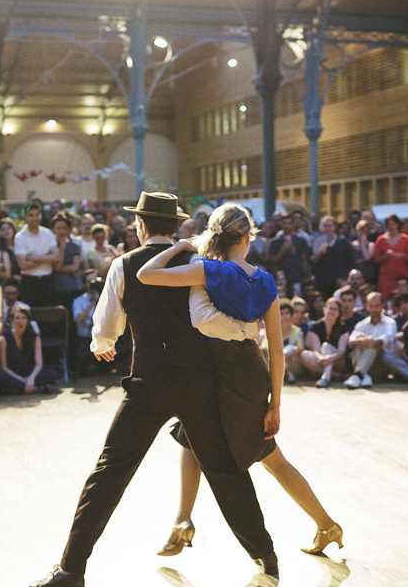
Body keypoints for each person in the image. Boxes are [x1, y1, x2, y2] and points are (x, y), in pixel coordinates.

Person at [29, 193, 281, 587]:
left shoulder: (125, 265)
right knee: (225, 470)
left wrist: (101, 344)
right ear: (176, 226)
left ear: (141, 225)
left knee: (110, 473)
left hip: (148, 381)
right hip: (199, 382)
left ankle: (71, 569)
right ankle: (265, 554)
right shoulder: (202, 265)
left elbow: (106, 328)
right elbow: (222, 319)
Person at [133, 201, 340, 560]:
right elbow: (276, 350)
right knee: (194, 440)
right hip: (248, 372)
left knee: (266, 456)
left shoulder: (210, 272)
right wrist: (276, 403)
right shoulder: (264, 281)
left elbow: (145, 275)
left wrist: (180, 245)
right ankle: (183, 520)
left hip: (210, 368)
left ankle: (326, 524)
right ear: (248, 236)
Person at [0, 302, 55, 395]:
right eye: (17, 318)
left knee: (52, 373)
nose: (20, 321)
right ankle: (37, 389)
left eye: (23, 318)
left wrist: (31, 379)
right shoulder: (3, 339)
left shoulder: (35, 337)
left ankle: (20, 390)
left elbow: (39, 364)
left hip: (29, 373)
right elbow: (4, 367)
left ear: (27, 320)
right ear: (12, 321)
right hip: (13, 375)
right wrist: (23, 380)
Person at [342, 290, 398, 387]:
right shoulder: (361, 324)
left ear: (382, 306)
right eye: (371, 306)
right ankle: (364, 376)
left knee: (373, 346)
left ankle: (357, 376)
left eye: (377, 306)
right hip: (363, 362)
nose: (374, 309)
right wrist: (364, 341)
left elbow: (387, 339)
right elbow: (352, 340)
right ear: (367, 306)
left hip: (381, 366)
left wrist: (370, 341)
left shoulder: (390, 323)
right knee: (362, 340)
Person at [13, 202, 59, 308]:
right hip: (29, 282)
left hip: (48, 281)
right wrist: (47, 258)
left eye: (37, 215)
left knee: (49, 316)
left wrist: (34, 258)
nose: (34, 218)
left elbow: (57, 257)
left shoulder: (48, 233)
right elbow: (23, 265)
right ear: (25, 217)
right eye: (31, 215)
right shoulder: (20, 237)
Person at [301, 296, 351, 388]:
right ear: (324, 309)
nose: (332, 311)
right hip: (321, 360)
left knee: (326, 345)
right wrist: (322, 358)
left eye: (335, 309)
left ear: (339, 313)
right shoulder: (315, 327)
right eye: (330, 308)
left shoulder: (343, 327)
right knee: (305, 354)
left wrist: (330, 358)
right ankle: (336, 376)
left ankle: (325, 378)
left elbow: (341, 350)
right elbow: (316, 350)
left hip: (337, 360)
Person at [371, 215, 408, 297]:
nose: (391, 226)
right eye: (389, 224)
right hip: (385, 277)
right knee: (386, 298)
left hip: (401, 276)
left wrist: (403, 255)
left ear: (398, 224)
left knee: (402, 297)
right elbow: (375, 259)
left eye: (394, 224)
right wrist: (386, 255)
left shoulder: (405, 239)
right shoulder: (380, 240)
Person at [50, 214, 85, 305]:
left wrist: (58, 268)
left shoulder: (75, 246)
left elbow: (74, 267)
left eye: (64, 228)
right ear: (53, 229)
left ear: (69, 230)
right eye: (59, 228)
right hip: (54, 288)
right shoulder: (50, 246)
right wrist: (62, 248)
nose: (62, 231)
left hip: (72, 288)